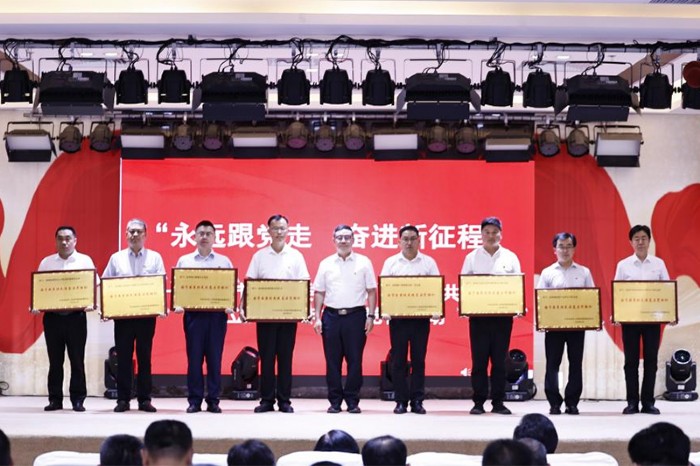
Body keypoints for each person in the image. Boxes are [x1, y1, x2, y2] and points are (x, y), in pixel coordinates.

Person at [245, 214, 310, 414]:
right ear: (268, 231)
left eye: (282, 228)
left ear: (288, 231)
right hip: (265, 316)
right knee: (266, 358)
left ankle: (284, 400)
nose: (279, 232)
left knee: (285, 358)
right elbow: (250, 283)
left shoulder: (296, 256)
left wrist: (304, 310)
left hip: (288, 317)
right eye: (275, 228)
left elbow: (303, 284)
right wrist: (245, 308)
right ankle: (266, 400)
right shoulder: (259, 256)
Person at [103, 218, 165, 413]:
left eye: (139, 231)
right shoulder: (116, 258)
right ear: (126, 234)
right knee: (123, 358)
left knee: (145, 357)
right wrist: (106, 308)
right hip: (123, 318)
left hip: (146, 317)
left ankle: (144, 399)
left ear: (145, 235)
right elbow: (106, 282)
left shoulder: (155, 258)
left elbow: (160, 283)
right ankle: (123, 399)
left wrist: (161, 306)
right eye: (131, 231)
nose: (135, 235)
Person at [313, 224, 377, 414]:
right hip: (331, 316)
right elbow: (319, 292)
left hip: (356, 317)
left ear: (353, 240)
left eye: (347, 237)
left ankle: (352, 400)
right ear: (333, 240)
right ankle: (334, 401)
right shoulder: (325, 264)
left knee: (355, 361)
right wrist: (317, 317)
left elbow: (371, 291)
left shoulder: (364, 262)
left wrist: (371, 315)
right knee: (332, 362)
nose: (343, 241)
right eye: (339, 237)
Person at [460, 217, 521, 415]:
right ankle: (478, 402)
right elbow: (465, 285)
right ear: (481, 234)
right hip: (479, 318)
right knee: (479, 362)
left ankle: (498, 402)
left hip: (502, 318)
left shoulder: (510, 257)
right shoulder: (472, 257)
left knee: (500, 362)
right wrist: (466, 306)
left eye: (495, 232)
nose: (491, 235)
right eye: (487, 232)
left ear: (500, 234)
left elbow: (517, 286)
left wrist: (517, 305)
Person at [34, 226, 97, 412]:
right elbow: (39, 288)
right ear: (55, 241)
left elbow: (96, 284)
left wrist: (91, 302)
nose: (64, 242)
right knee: (55, 361)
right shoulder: (46, 262)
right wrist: (36, 303)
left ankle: (78, 400)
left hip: (76, 317)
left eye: (68, 238)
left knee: (77, 360)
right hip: (52, 319)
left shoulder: (85, 261)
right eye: (60, 238)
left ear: (75, 240)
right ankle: (55, 400)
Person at [174, 220, 234, 414]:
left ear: (215, 237)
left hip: (217, 317)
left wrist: (229, 304)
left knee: (215, 359)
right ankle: (194, 400)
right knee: (194, 360)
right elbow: (179, 289)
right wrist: (178, 303)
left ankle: (214, 400)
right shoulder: (185, 261)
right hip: (194, 317)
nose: (205, 237)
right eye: (201, 233)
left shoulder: (224, 261)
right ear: (194, 236)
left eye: (209, 233)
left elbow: (230, 288)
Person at [380, 225, 439, 415]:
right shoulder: (391, 263)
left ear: (419, 241)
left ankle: (417, 401)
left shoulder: (428, 263)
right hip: (398, 320)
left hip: (420, 320)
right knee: (398, 361)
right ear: (399, 241)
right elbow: (385, 289)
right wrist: (386, 309)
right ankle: (400, 401)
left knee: (419, 361)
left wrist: (436, 309)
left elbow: (435, 289)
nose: (409, 242)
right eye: (405, 239)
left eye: (413, 239)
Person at [537, 232, 594, 415]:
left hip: (577, 326)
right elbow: (540, 300)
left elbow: (591, 298)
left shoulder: (584, 272)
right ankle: (554, 402)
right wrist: (542, 321)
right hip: (554, 327)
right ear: (554, 249)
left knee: (575, 364)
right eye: (561, 246)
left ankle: (572, 402)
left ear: (574, 249)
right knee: (552, 364)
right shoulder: (547, 273)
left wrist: (592, 318)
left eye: (569, 246)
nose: (565, 250)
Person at [615, 225, 670, 415]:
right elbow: (618, 292)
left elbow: (666, 290)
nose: (640, 242)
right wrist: (617, 313)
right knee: (630, 362)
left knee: (651, 361)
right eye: (636, 238)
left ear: (649, 240)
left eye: (644, 238)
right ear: (631, 242)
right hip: (630, 320)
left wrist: (670, 313)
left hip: (652, 320)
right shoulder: (623, 265)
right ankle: (632, 402)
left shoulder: (659, 264)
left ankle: (648, 402)